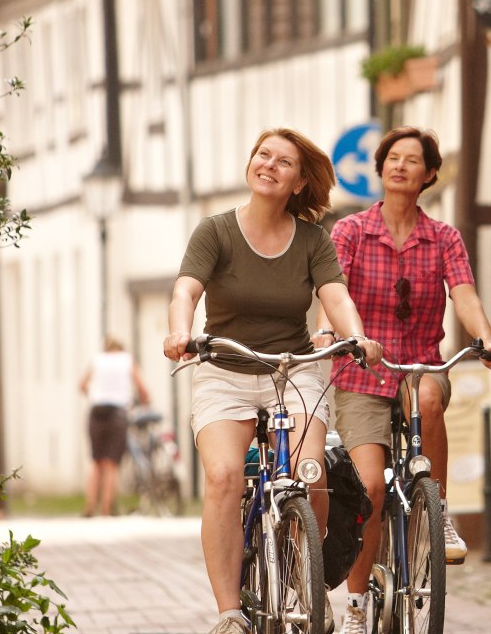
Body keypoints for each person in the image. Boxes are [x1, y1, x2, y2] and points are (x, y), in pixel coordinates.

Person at [162, 127, 383, 634]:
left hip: (294, 369)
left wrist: (357, 337)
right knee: (222, 477)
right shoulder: (215, 231)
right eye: (263, 155)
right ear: (251, 163)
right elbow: (185, 290)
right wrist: (180, 331)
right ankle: (229, 613)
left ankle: (308, 581)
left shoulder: (312, 240)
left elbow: (336, 297)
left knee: (310, 470)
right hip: (224, 368)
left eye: (283, 162)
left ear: (299, 181)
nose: (269, 165)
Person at [325, 127, 491, 634]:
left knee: (428, 393)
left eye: (412, 160)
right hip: (362, 371)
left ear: (429, 174)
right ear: (381, 169)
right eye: (392, 158)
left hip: (419, 366)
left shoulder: (444, 237)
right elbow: (333, 293)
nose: (399, 166)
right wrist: (337, 333)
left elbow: (466, 294)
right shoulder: (351, 232)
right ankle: (358, 605)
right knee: (368, 490)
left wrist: (488, 338)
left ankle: (438, 507)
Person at [79, 337, 151, 517]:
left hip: (96, 412)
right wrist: (144, 402)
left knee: (96, 460)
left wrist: (94, 395)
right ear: (121, 348)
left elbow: (82, 385)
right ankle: (106, 507)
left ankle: (89, 506)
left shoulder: (97, 359)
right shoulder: (126, 359)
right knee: (111, 462)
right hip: (117, 413)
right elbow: (143, 389)